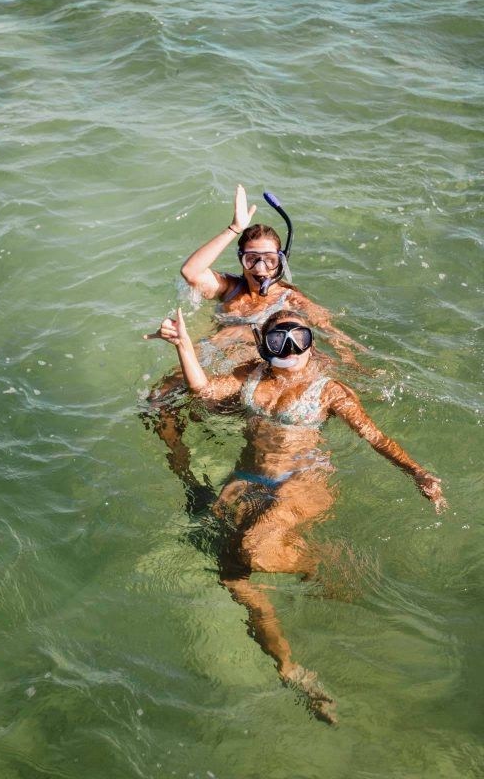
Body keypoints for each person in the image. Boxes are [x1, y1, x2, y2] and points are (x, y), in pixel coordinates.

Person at [146, 308, 446, 723]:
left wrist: (417, 472)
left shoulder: (329, 390)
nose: (289, 349)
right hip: (248, 479)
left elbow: (374, 436)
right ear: (261, 343)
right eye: (277, 340)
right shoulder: (250, 374)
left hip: (302, 481)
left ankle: (327, 563)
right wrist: (183, 346)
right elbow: (205, 391)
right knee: (233, 576)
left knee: (254, 549)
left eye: (298, 339)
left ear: (312, 343)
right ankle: (289, 667)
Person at [178, 184, 365, 370]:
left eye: (269, 260)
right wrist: (234, 229)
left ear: (281, 260)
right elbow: (191, 272)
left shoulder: (289, 298)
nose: (260, 268)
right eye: (251, 259)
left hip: (266, 366)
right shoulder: (229, 288)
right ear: (240, 259)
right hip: (219, 359)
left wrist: (351, 357)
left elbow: (329, 330)